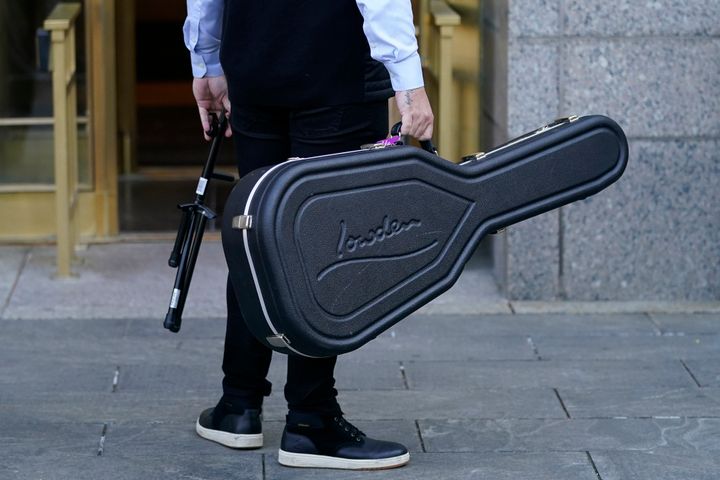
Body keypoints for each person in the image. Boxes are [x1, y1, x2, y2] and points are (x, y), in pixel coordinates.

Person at [183, 0, 434, 470]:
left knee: (254, 237)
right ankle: (310, 420)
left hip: (255, 64)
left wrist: (207, 60)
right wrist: (408, 78)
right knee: (325, 251)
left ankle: (237, 405)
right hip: (333, 70)